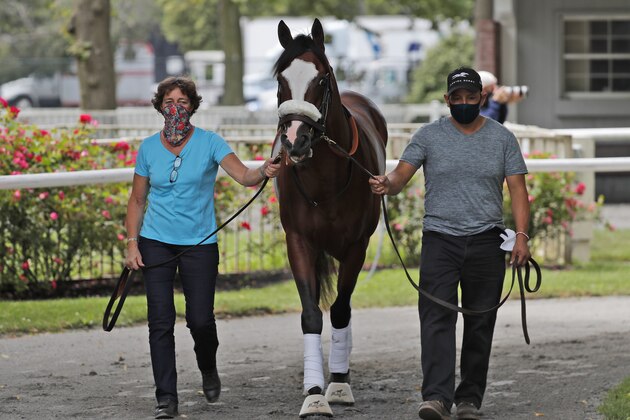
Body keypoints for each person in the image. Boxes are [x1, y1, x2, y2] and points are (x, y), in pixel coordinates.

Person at [369, 67, 531, 420]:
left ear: (482, 98)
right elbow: (401, 175)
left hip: (488, 241)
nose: (463, 103)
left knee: (480, 320)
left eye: (470, 98)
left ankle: (469, 399)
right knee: (436, 318)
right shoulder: (428, 136)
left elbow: (518, 190)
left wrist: (521, 236)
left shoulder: (502, 138)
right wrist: (387, 183)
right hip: (441, 240)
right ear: (447, 100)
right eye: (456, 98)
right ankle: (437, 398)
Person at [124, 76, 280, 419]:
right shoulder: (148, 147)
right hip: (155, 243)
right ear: (159, 107)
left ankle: (207, 366)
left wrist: (266, 169)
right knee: (159, 322)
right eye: (168, 102)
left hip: (200, 244)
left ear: (193, 106)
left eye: (182, 101)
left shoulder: (210, 142)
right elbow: (137, 200)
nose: (175, 108)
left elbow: (243, 176)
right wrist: (132, 243)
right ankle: (166, 398)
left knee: (200, 320)